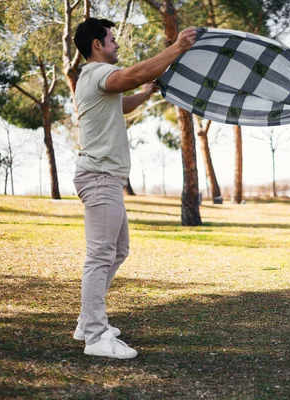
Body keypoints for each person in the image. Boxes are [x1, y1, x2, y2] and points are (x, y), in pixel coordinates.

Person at [72, 17, 196, 359]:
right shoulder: (97, 73)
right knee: (100, 256)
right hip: (99, 177)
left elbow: (121, 100)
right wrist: (177, 47)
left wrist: (144, 95)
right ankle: (96, 337)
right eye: (112, 40)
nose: (117, 45)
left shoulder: (94, 82)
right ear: (97, 44)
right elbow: (131, 75)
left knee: (118, 250)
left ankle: (87, 319)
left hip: (104, 178)